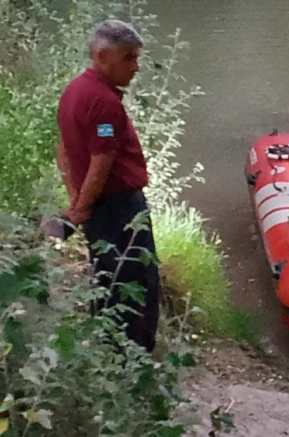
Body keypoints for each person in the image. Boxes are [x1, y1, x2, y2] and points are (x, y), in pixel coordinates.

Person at [56, 19, 160, 353]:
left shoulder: (74, 91)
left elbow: (64, 152)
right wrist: (81, 206)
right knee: (137, 285)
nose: (136, 67)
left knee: (107, 278)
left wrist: (76, 199)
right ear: (102, 56)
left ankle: (106, 352)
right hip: (120, 208)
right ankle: (134, 360)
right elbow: (101, 162)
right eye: (129, 58)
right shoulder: (104, 103)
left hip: (100, 207)